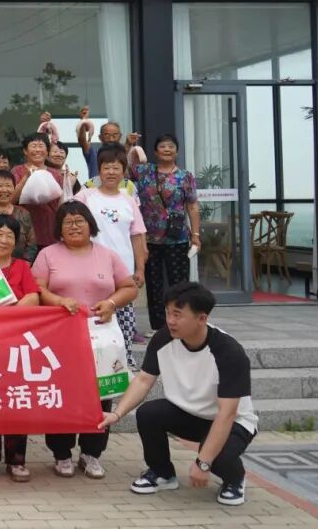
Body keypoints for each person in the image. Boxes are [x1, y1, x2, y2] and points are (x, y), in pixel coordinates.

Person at [101, 282, 257, 506]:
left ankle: (235, 479)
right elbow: (143, 381)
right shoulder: (162, 339)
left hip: (232, 422)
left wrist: (203, 462)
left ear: (202, 318)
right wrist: (117, 414)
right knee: (149, 414)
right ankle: (162, 473)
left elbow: (227, 413)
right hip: (188, 413)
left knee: (216, 457)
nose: (170, 321)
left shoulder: (229, 352)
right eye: (168, 313)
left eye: (178, 315)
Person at [34, 201, 138, 480]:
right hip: (61, 337)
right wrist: (59, 301)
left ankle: (92, 453)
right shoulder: (48, 254)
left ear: (90, 224)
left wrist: (111, 303)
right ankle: (61, 453)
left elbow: (129, 287)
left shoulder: (107, 255)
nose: (74, 226)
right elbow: (37, 289)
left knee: (100, 394)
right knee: (62, 393)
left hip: (101, 337)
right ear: (59, 228)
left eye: (79, 220)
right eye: (67, 222)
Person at [0, 215, 40, 482]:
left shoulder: (22, 267)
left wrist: (2, 314)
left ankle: (17, 460)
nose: (4, 240)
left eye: (9, 235)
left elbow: (33, 298)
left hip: (16, 347)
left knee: (16, 400)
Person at [75, 145, 148, 357]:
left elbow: (137, 235)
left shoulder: (128, 200)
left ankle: (125, 360)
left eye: (116, 168)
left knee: (124, 318)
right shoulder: (85, 197)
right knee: (94, 318)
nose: (111, 172)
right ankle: (94, 362)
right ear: (99, 170)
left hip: (123, 271)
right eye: (106, 168)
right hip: (90, 269)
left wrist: (140, 269)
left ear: (123, 171)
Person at [130, 134, 201, 335]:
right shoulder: (144, 172)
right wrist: (131, 145)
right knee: (154, 285)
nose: (167, 149)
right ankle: (159, 327)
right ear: (155, 151)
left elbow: (192, 206)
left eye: (171, 146)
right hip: (148, 239)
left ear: (177, 151)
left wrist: (195, 234)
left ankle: (181, 323)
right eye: (162, 146)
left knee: (179, 284)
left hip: (177, 237)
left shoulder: (185, 176)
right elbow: (127, 163)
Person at [11, 133, 63, 252]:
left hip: (49, 231)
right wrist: (25, 179)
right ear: (25, 151)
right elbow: (11, 200)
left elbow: (61, 205)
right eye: (33, 146)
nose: (37, 150)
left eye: (41, 146)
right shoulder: (17, 171)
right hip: (23, 231)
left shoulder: (56, 174)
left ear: (47, 151)